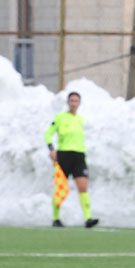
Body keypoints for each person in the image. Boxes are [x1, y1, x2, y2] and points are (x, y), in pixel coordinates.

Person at [44, 91, 99, 228]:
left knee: (83, 187)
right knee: (61, 189)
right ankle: (56, 218)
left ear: (79, 103)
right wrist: (51, 149)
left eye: (76, 101)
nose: (74, 103)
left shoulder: (81, 120)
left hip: (79, 156)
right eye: (72, 100)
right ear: (68, 102)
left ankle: (88, 218)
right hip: (64, 155)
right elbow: (48, 134)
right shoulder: (60, 117)